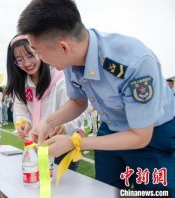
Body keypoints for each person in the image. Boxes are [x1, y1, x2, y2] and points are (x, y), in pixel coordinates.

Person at [18, 0, 175, 193]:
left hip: (153, 135)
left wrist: (76, 142)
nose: (39, 59)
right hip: (111, 128)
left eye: (38, 52)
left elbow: (140, 136)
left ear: (63, 47)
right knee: (105, 191)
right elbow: (78, 101)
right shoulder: (70, 60)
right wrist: (47, 123)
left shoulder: (134, 63)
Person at [6, 35, 84, 170]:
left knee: (64, 187)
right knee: (38, 183)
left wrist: (64, 126)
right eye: (19, 60)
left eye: (30, 55)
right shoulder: (21, 83)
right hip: (38, 142)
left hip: (62, 143)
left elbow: (77, 107)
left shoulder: (61, 77)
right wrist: (24, 123)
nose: (26, 63)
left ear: (39, 51)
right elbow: (20, 109)